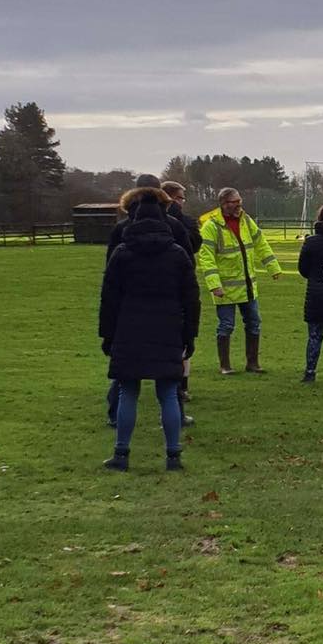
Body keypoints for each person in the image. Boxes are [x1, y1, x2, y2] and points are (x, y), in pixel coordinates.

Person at [98, 189, 200, 471]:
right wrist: (190, 335)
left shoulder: (122, 254)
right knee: (168, 392)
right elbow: (191, 298)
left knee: (127, 392)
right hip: (168, 327)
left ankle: (121, 454)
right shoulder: (177, 254)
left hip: (129, 327)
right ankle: (173, 455)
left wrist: (107, 335)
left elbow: (109, 298)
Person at [196, 187, 281, 375]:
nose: (239, 205)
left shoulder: (246, 220)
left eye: (239, 201)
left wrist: (273, 267)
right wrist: (214, 285)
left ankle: (253, 363)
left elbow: (261, 244)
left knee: (254, 323)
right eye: (235, 202)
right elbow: (206, 258)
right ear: (224, 203)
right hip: (225, 288)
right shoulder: (211, 226)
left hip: (248, 286)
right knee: (226, 326)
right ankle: (225, 366)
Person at [161, 180, 202, 424]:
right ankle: (177, 390)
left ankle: (180, 386)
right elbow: (192, 245)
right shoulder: (179, 223)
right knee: (180, 339)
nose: (183, 202)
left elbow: (195, 242)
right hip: (175, 287)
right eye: (180, 198)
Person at [297, 205, 323, 382]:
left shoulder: (310, 242)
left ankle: (310, 370)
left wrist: (314, 277)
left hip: (315, 292)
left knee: (314, 335)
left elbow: (302, 268)